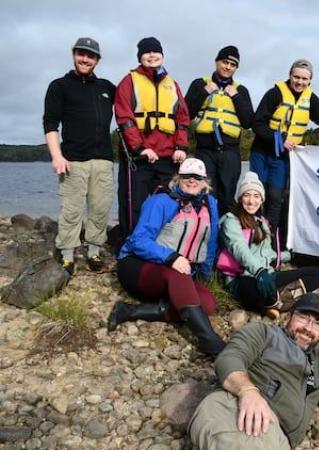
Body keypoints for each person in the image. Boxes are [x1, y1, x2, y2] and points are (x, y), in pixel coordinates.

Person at [188, 293, 319, 449]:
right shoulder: (265, 333)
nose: (308, 328)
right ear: (288, 316)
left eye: (317, 323)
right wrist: (248, 392)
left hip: (279, 440)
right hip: (241, 411)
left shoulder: (317, 361)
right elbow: (229, 358)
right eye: (304, 317)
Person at [107, 158, 225, 356]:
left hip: (176, 273)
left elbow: (209, 242)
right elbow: (138, 240)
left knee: (208, 304)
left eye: (197, 177)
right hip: (138, 267)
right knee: (177, 275)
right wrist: (171, 257)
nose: (192, 180)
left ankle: (129, 311)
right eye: (187, 175)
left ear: (205, 181)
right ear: (178, 177)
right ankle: (210, 342)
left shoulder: (210, 205)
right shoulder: (160, 201)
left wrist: (204, 276)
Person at [249, 59, 319, 237]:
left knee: (276, 198)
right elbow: (257, 124)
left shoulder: (311, 100)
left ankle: (269, 242)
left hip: (283, 158)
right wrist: (280, 137)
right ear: (290, 75)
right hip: (261, 152)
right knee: (254, 195)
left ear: (310, 81)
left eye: (304, 79)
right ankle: (250, 236)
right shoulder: (274, 94)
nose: (299, 82)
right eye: (296, 77)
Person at [43, 37, 115, 275]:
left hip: (103, 160)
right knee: (71, 210)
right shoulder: (59, 86)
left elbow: (130, 104)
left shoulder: (107, 87)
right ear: (73, 54)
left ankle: (94, 251)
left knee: (100, 209)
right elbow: (50, 123)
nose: (86, 59)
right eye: (81, 54)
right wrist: (57, 156)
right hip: (72, 160)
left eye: (91, 55)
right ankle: (67, 253)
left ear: (97, 60)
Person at [218, 171, 319, 319]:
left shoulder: (262, 222)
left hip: (268, 275)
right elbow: (239, 249)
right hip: (243, 278)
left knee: (318, 273)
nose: (251, 201)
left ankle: (277, 301)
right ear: (240, 198)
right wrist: (259, 272)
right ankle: (281, 300)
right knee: (254, 290)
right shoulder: (231, 220)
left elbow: (268, 254)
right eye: (247, 195)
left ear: (262, 199)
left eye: (256, 196)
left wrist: (290, 255)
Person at [115, 36, 190, 239]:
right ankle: (130, 246)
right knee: (133, 204)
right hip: (139, 157)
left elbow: (182, 118)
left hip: (168, 157)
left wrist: (181, 146)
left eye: (155, 52)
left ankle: (164, 245)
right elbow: (125, 118)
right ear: (140, 57)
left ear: (162, 56)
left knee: (169, 203)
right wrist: (140, 148)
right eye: (146, 52)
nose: (151, 55)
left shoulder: (172, 84)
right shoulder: (129, 81)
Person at [185, 45, 254, 213]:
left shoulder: (241, 90)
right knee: (205, 195)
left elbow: (248, 121)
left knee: (227, 197)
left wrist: (236, 97)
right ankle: (206, 236)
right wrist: (204, 92)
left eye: (233, 64)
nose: (228, 67)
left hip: (230, 153)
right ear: (217, 62)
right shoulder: (200, 83)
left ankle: (224, 236)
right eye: (225, 62)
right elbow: (186, 113)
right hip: (205, 150)